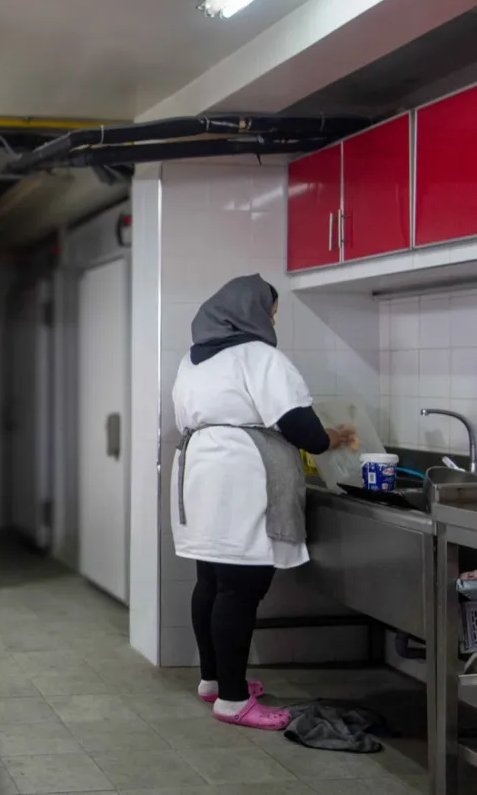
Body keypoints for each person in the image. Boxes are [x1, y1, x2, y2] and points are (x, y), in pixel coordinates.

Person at [170, 274, 354, 731]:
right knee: (240, 588)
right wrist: (338, 436)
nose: (273, 319)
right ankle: (232, 700)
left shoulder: (192, 360)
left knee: (211, 579)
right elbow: (304, 430)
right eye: (272, 310)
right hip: (240, 474)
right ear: (250, 311)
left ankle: (214, 680)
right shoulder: (259, 356)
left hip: (199, 470)